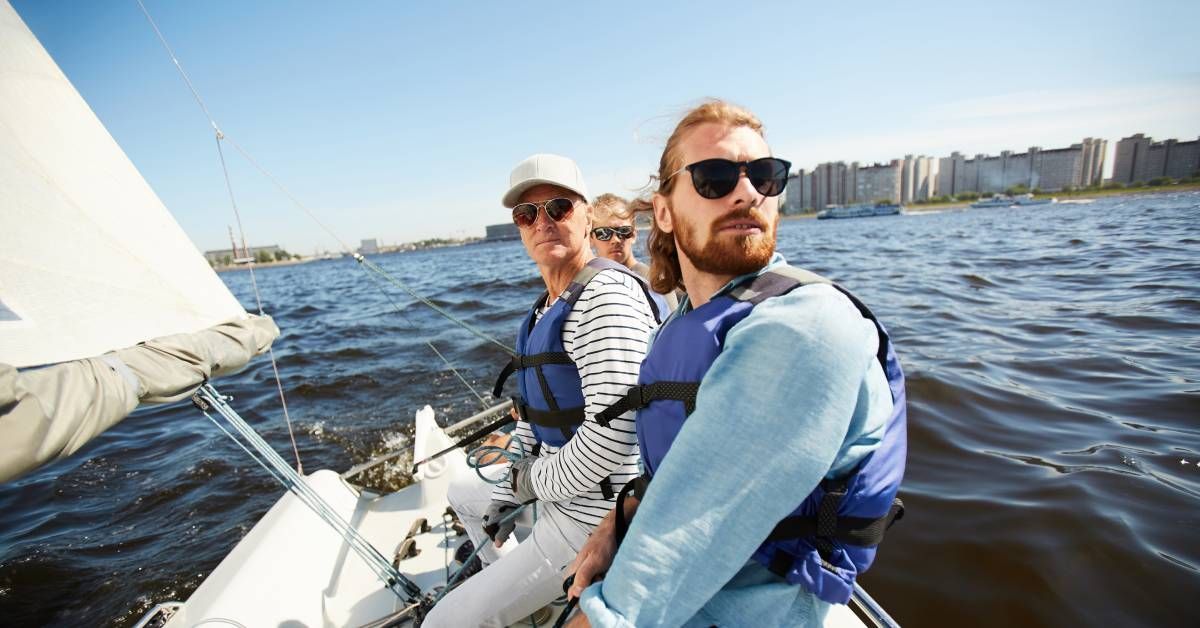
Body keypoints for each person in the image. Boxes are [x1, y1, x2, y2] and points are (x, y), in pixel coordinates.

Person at [565, 101, 907, 627]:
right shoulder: (684, 321)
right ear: (663, 211)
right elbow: (686, 471)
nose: (747, 192)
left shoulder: (806, 328)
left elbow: (672, 556)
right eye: (714, 178)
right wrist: (623, 515)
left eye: (766, 177)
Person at [422, 154, 663, 627]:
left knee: (440, 624)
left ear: (587, 215)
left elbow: (613, 443)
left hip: (593, 517)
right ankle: (524, 599)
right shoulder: (543, 308)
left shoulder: (604, 299)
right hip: (558, 495)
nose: (542, 221)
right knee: (463, 493)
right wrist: (515, 484)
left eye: (558, 207)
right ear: (518, 226)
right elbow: (534, 416)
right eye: (526, 213)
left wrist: (527, 482)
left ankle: (516, 596)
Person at [589, 193, 679, 311]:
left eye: (623, 231)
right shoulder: (587, 284)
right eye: (604, 233)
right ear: (591, 239)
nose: (615, 240)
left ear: (633, 235)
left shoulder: (655, 282)